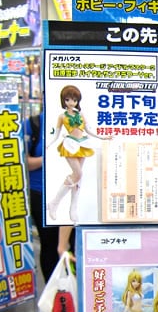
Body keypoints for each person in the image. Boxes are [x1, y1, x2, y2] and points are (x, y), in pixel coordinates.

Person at [47, 84, 111, 223]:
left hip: (82, 144)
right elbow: (56, 134)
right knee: (78, 173)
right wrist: (49, 144)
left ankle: (73, 207)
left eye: (74, 100)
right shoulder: (61, 116)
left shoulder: (80, 114)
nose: (71, 102)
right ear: (64, 100)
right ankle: (55, 202)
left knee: (78, 177)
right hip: (70, 144)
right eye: (68, 99)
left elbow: (88, 129)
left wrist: (102, 137)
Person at [25, 112, 76, 281]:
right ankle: (54, 289)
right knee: (50, 244)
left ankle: (75, 287)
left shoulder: (79, 120)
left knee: (75, 244)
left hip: (74, 192)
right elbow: (23, 162)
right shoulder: (34, 124)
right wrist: (49, 158)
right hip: (42, 193)